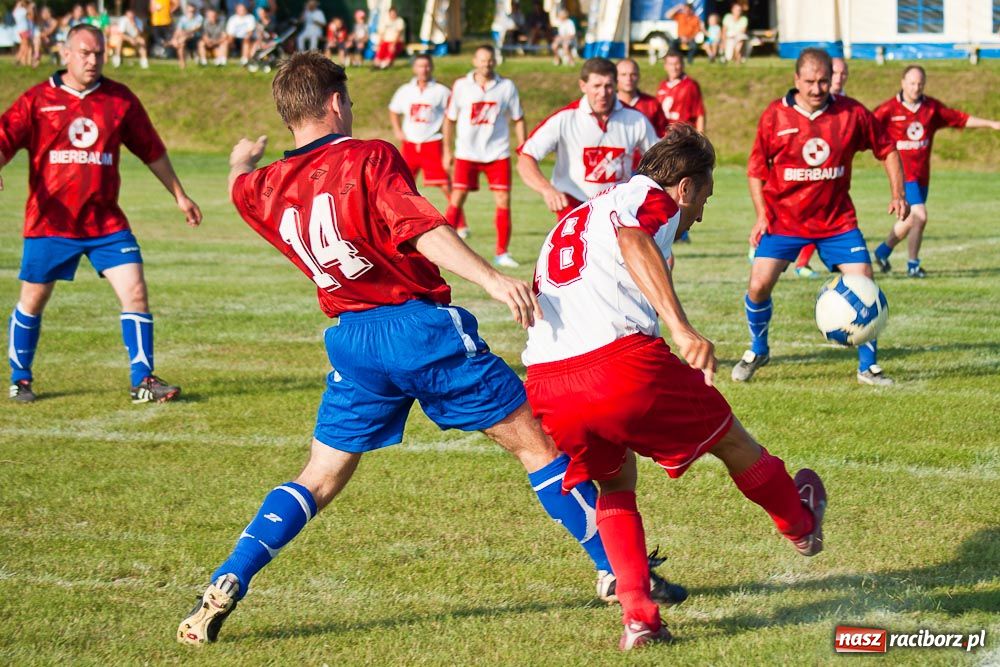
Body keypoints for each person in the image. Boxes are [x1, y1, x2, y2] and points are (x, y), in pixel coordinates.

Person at [175, 52, 683, 646]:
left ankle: (227, 577)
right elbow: (418, 225)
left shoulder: (261, 187)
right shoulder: (367, 155)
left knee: (319, 476)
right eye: (351, 98)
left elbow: (240, 179)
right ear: (336, 102)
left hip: (353, 341)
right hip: (417, 329)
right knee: (535, 443)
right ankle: (618, 571)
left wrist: (244, 157)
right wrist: (492, 279)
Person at [523, 123, 827, 651]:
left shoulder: (584, 211)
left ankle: (639, 617)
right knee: (733, 442)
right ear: (684, 186)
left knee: (616, 484)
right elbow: (633, 239)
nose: (701, 212)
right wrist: (682, 328)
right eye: (704, 196)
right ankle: (799, 521)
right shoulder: (650, 200)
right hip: (617, 366)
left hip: (548, 382)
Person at [0, 24, 201, 404]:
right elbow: (4, 139)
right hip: (50, 224)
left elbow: (151, 150)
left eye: (99, 54)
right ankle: (20, 378)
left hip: (106, 224)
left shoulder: (118, 100)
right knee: (33, 299)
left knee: (135, 292)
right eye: (84, 53)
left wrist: (179, 194)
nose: (93, 61)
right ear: (65, 54)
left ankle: (143, 380)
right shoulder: (37, 100)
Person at [733, 48, 908, 387]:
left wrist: (898, 193)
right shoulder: (775, 116)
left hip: (837, 222)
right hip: (783, 220)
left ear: (833, 79)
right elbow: (756, 169)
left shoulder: (851, 112)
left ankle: (868, 367)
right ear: (796, 80)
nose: (817, 89)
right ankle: (758, 350)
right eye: (810, 82)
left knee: (865, 283)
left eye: (823, 81)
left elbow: (887, 148)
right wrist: (760, 216)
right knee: (758, 286)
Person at [872, 65, 1000, 278]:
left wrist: (991, 124)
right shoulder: (888, 110)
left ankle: (882, 252)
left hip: (922, 177)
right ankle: (913, 264)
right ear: (903, 83)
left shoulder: (930, 109)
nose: (916, 87)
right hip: (904, 176)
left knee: (909, 220)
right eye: (912, 83)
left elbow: (960, 118)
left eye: (920, 83)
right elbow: (866, 126)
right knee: (920, 216)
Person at [518, 58, 658, 222]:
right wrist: (547, 189)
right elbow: (525, 157)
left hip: (618, 207)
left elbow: (658, 161)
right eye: (596, 86)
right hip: (573, 206)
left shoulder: (635, 119)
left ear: (616, 85)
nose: (603, 93)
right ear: (583, 86)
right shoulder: (565, 118)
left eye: (608, 86)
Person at [443, 45, 526, 267]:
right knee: (457, 198)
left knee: (503, 200)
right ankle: (444, 250)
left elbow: (518, 118)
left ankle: (502, 253)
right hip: (466, 153)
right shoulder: (461, 86)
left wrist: (523, 149)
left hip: (497, 153)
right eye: (482, 60)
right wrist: (447, 150)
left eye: (490, 60)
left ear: (495, 62)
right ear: (474, 61)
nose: (486, 64)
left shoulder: (506, 87)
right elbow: (449, 119)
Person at [792, 56, 849, 279]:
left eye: (843, 73)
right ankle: (761, 244)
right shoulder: (810, 100)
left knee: (821, 216)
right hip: (805, 168)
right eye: (836, 72)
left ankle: (814, 261)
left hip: (832, 172)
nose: (839, 77)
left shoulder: (845, 105)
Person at [388, 54, 455, 205]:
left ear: (431, 67)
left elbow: (450, 116)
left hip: (432, 142)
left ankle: (460, 223)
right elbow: (393, 110)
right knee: (401, 185)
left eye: (426, 66)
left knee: (445, 184)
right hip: (410, 144)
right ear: (414, 68)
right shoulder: (405, 90)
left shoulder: (442, 91)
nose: (423, 70)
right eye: (420, 66)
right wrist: (397, 130)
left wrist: (447, 144)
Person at [617, 58, 669, 139]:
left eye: (633, 74)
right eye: (623, 74)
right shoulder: (608, 105)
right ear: (615, 77)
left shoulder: (652, 104)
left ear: (638, 77)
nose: (629, 79)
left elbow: (663, 135)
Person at [656, 50, 705, 133]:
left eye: (677, 64)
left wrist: (701, 138)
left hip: (684, 136)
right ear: (665, 66)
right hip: (665, 136)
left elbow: (699, 113)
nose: (674, 68)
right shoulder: (662, 85)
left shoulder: (690, 85)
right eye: (670, 64)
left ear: (682, 65)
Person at [169, 3, 203, 69]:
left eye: (193, 11)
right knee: (181, 43)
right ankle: (182, 62)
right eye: (190, 11)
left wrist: (183, 33)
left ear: (195, 10)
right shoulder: (183, 18)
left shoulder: (199, 17)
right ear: (186, 10)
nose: (191, 12)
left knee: (182, 39)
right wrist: (174, 38)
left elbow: (195, 29)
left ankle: (183, 63)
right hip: (184, 37)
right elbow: (178, 30)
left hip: (195, 37)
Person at [14, 1, 34, 67]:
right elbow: (31, 14)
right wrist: (31, 5)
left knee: (24, 46)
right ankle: (17, 61)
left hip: (20, 30)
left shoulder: (16, 11)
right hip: (24, 30)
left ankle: (22, 62)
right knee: (24, 47)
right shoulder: (22, 10)